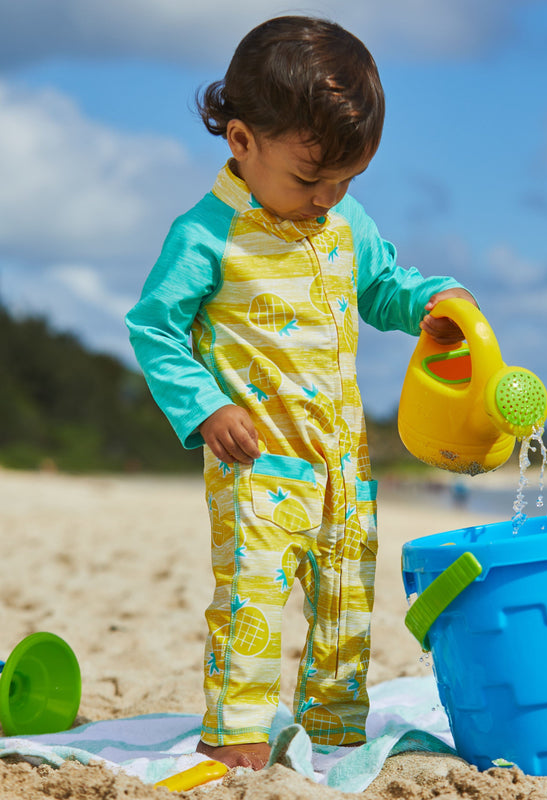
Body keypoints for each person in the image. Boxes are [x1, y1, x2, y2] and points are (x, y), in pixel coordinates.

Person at [125, 16, 476, 770]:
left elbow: (381, 287)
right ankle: (238, 731)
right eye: (311, 179)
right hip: (259, 463)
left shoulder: (344, 224)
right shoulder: (207, 234)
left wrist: (431, 304)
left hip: (344, 462)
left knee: (347, 597)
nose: (328, 198)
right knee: (252, 597)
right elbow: (155, 328)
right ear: (242, 142)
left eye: (348, 181)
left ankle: (337, 726)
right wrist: (204, 407)